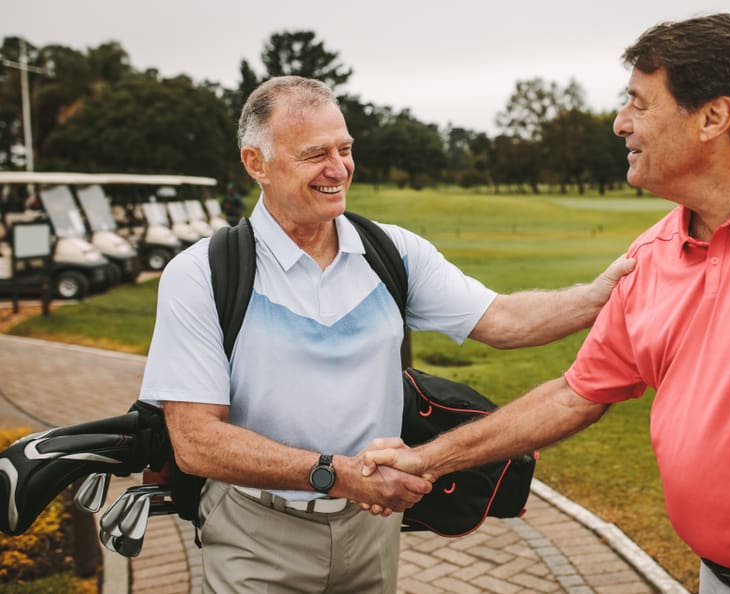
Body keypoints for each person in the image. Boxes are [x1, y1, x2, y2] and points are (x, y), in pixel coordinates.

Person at [363, 13, 730, 594]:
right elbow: (578, 393)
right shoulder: (654, 250)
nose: (621, 123)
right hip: (715, 577)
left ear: (713, 117)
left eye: (639, 103)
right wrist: (431, 460)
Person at [138, 75, 634, 593]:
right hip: (256, 530)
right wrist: (334, 473)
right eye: (315, 154)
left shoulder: (391, 252)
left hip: (371, 527)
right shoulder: (202, 273)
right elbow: (196, 442)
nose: (338, 169)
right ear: (255, 163)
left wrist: (597, 295)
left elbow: (504, 320)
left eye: (345, 148)